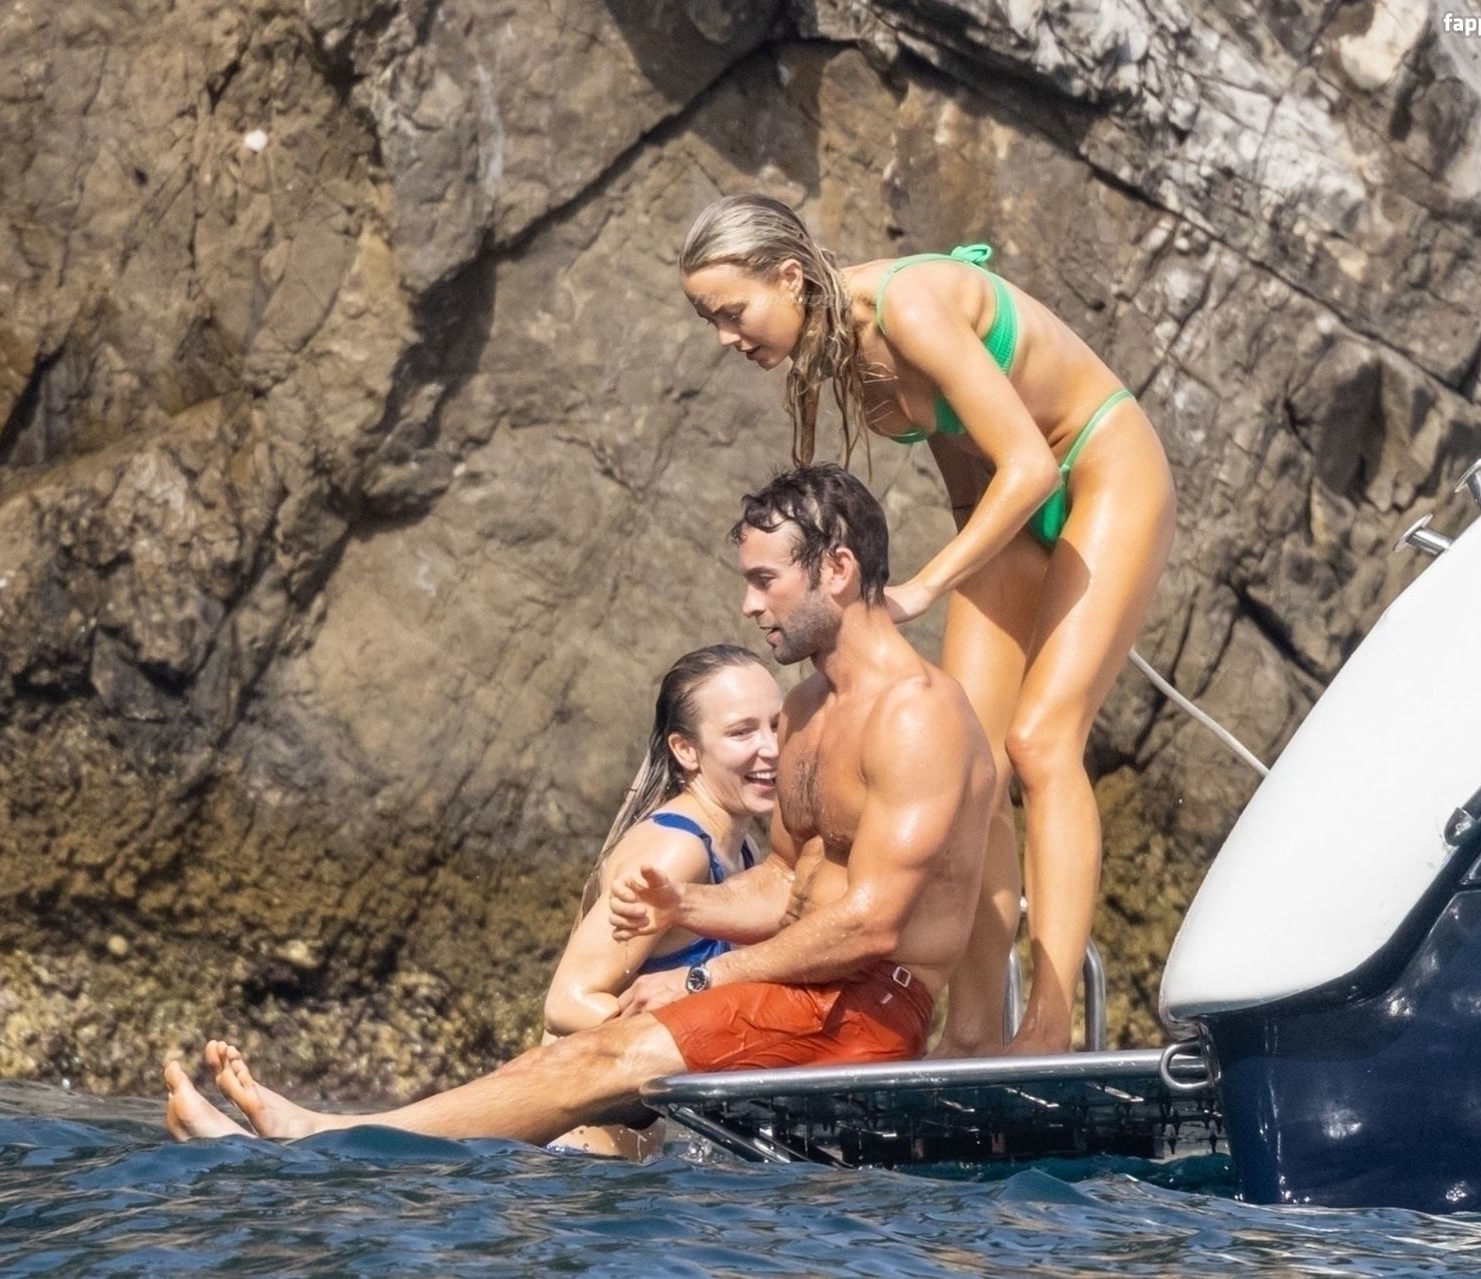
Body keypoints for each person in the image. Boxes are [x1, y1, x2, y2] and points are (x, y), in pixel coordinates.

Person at [162, 465, 997, 1146]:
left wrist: (701, 973)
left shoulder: (915, 714)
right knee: (575, 1054)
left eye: (765, 581)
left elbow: (870, 922)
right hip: (801, 989)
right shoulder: (810, 708)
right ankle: (325, 1135)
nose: (750, 606)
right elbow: (785, 881)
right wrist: (688, 904)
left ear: (837, 569)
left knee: (603, 1057)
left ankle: (321, 1141)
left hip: (864, 1008)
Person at [679, 194, 1176, 1056]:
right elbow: (969, 470)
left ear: (789, 278)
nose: (725, 336)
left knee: (1041, 741)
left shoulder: (907, 306)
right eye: (709, 320)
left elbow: (1029, 464)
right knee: (971, 766)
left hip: (1099, 465)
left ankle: (1048, 1022)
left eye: (732, 311)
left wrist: (922, 589)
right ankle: (976, 1028)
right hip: (1003, 510)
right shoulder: (841, 356)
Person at [541, 643, 779, 1156]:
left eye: (778, 726)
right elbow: (566, 1002)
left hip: (631, 1168)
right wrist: (692, 1046)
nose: (772, 748)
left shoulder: (745, 850)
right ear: (686, 750)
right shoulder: (676, 850)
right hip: (575, 1161)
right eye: (742, 732)